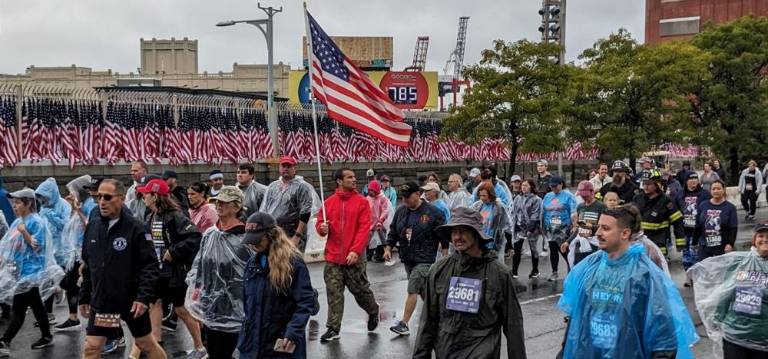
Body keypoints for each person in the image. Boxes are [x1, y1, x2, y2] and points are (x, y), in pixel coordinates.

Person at [557, 205, 698, 358]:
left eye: (605, 228)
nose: (597, 233)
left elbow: (663, 333)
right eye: (598, 227)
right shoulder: (590, 267)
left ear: (625, 233)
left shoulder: (645, 274)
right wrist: (564, 351)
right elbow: (576, 316)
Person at [413, 207, 526, 359]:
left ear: (477, 234)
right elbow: (428, 322)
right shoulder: (439, 270)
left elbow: (513, 326)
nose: (457, 237)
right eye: (454, 232)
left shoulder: (499, 274)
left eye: (463, 231)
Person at [79, 179, 165, 359]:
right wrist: (84, 296)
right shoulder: (93, 227)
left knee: (145, 344)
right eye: (98, 197)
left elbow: (150, 266)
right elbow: (88, 264)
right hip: (102, 299)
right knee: (92, 347)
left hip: (131, 301)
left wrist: (143, 297)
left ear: (122, 198)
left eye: (107, 197)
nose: (102, 201)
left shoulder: (137, 228)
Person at [131, 179, 206, 359]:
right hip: (159, 271)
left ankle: (200, 347)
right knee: (154, 304)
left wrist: (173, 251)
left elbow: (195, 237)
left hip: (175, 273)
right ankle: (154, 343)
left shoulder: (175, 216)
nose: (143, 196)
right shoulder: (151, 216)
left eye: (146, 194)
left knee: (181, 310)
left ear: (155, 196)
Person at [185, 186, 252, 359]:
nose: (219, 205)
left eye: (224, 202)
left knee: (231, 350)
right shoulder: (210, 234)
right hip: (211, 305)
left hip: (235, 306)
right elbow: (200, 265)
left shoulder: (245, 238)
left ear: (236, 207)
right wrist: (196, 291)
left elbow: (250, 274)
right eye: (217, 202)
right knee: (213, 348)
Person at [237, 213, 315, 359]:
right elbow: (247, 305)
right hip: (252, 343)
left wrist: (293, 331)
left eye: (257, 240)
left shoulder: (293, 263)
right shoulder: (251, 264)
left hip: (281, 341)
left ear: (271, 235)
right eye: (251, 240)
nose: (253, 244)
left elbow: (305, 302)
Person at [315, 168, 380, 342]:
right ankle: (333, 327)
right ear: (339, 181)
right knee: (334, 293)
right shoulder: (328, 203)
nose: (354, 180)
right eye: (349, 177)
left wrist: (355, 250)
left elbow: (364, 228)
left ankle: (373, 310)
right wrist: (321, 228)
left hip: (354, 258)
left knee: (360, 292)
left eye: (353, 177)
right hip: (333, 258)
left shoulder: (361, 202)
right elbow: (321, 224)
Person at [687, 221, 768, 359]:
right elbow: (725, 293)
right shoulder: (739, 261)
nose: (765, 239)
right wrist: (717, 320)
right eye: (760, 235)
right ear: (754, 239)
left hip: (763, 338)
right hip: (734, 336)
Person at [0, 188, 64, 354]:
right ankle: (47, 336)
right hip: (21, 272)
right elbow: (9, 244)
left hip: (31, 273)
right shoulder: (18, 221)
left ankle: (4, 342)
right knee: (36, 305)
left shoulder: (36, 222)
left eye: (18, 202)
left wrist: (24, 232)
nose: (14, 206)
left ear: (28, 203)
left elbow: (38, 247)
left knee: (19, 309)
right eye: (13, 203)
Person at [384, 182, 446, 336]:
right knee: (424, 292)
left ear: (418, 194)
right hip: (407, 256)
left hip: (425, 258)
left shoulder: (433, 212)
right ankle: (443, 317)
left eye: (408, 196)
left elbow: (443, 234)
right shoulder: (401, 211)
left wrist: (445, 253)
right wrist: (388, 247)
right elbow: (393, 231)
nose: (405, 200)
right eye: (403, 197)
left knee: (412, 288)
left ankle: (404, 323)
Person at [53, 175, 92, 332]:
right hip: (75, 252)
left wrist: (78, 210)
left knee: (77, 284)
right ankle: (73, 317)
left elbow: (90, 226)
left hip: (83, 253)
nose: (71, 194)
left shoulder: (90, 205)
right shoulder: (82, 204)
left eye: (73, 191)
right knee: (71, 284)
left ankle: (79, 317)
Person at [259, 156, 316, 250]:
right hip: (273, 235)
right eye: (283, 166)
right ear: (279, 168)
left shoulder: (302, 187)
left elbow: (305, 213)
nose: (286, 168)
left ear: (294, 169)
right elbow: (264, 209)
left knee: (292, 263)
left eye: (289, 166)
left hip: (292, 236)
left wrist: (297, 236)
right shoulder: (272, 186)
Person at [632, 169, 685, 257]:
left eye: (649, 184)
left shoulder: (666, 201)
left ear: (657, 184)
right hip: (639, 241)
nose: (645, 187)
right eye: (644, 183)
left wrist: (680, 242)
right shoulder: (637, 198)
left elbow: (678, 222)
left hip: (659, 242)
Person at [562, 181, 605, 268]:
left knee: (591, 267)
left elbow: (604, 227)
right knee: (577, 266)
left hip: (594, 243)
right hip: (580, 241)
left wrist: (592, 227)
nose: (584, 197)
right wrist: (568, 241)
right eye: (582, 195)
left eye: (586, 195)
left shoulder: (601, 206)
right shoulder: (580, 206)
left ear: (592, 192)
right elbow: (578, 227)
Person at [542, 176, 578, 281]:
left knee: (564, 250)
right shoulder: (548, 196)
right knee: (553, 249)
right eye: (551, 186)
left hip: (563, 228)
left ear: (561, 184)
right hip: (550, 228)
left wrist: (574, 225)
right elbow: (543, 211)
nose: (553, 188)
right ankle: (554, 272)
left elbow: (573, 211)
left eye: (555, 186)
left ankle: (572, 270)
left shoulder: (568, 196)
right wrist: (542, 226)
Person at [694, 180, 738, 261]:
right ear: (710, 191)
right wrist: (695, 242)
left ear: (723, 190)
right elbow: (698, 225)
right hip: (705, 248)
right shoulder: (703, 205)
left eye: (718, 188)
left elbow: (733, 228)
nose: (716, 191)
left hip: (722, 248)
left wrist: (730, 244)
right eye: (713, 189)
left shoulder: (730, 207)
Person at [677, 172, 711, 273]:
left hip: (698, 232)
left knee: (696, 256)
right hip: (684, 231)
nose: (693, 180)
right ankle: (689, 276)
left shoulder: (705, 194)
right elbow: (674, 210)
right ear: (686, 181)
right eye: (691, 178)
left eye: (696, 178)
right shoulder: (680, 194)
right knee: (686, 257)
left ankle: (697, 277)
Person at [471, 182, 511, 263]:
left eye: (484, 196)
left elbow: (506, 226)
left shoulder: (499, 207)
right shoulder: (478, 205)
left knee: (496, 265)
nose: (482, 198)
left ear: (490, 194)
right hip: (481, 241)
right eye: (480, 195)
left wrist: (509, 245)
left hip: (495, 242)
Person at [510, 179, 543, 279]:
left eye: (526, 185)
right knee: (517, 249)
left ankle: (535, 270)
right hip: (519, 228)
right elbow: (513, 212)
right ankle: (514, 271)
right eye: (522, 185)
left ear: (531, 187)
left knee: (533, 249)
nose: (523, 187)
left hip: (532, 229)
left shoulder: (536, 199)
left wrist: (530, 229)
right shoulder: (518, 198)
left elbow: (536, 215)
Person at [365, 180, 392, 262]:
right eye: (369, 190)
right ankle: (368, 255)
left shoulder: (383, 198)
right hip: (370, 223)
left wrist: (381, 220)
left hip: (380, 223)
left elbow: (385, 211)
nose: (370, 192)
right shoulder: (368, 198)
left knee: (382, 240)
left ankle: (380, 255)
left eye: (372, 190)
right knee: (368, 239)